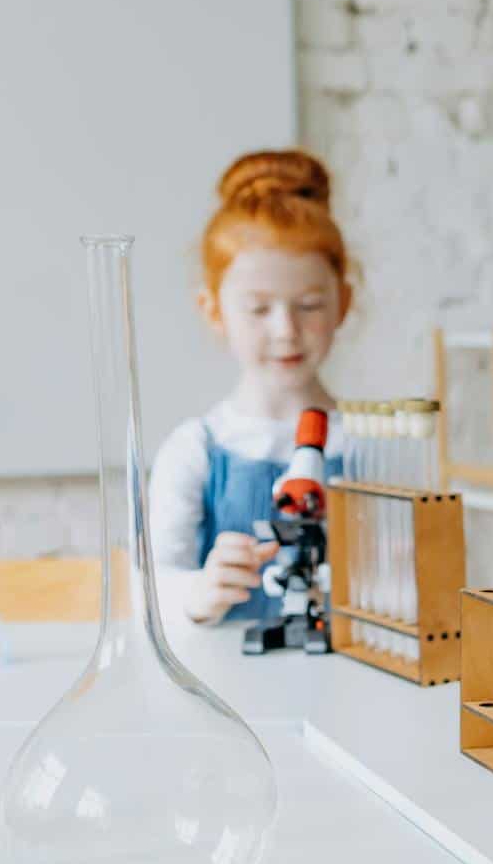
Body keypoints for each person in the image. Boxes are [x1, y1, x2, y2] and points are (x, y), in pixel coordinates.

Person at [149, 150, 351, 627]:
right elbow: (151, 589)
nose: (285, 330)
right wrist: (197, 594)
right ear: (213, 310)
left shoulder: (370, 447)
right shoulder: (195, 449)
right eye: (259, 309)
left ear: (343, 303)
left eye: (309, 305)